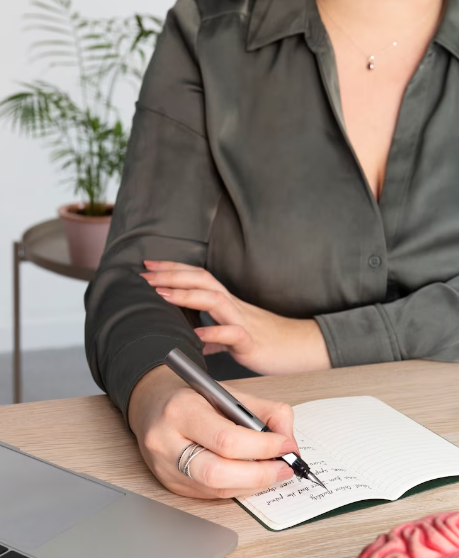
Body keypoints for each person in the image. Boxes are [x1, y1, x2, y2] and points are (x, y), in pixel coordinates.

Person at [85, 0, 459, 500]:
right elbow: (142, 275)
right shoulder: (211, 33)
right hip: (250, 457)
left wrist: (315, 341)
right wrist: (156, 390)